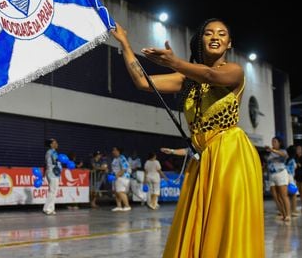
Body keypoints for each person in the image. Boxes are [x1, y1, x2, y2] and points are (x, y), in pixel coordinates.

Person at [112, 18, 264, 257]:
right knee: (198, 222)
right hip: (202, 158)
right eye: (209, 33)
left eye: (222, 34)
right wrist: (125, 43)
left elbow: (211, 76)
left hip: (231, 154)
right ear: (200, 40)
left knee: (225, 222)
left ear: (229, 43)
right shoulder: (187, 80)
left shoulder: (235, 71)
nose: (215, 37)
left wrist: (175, 62)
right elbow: (143, 82)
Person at [265, 137, 291, 221]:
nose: (273, 143)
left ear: (279, 143)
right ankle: (283, 214)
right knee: (276, 197)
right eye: (272, 141)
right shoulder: (270, 153)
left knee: (283, 196)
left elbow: (284, 155)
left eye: (275, 141)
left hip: (280, 174)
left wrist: (273, 150)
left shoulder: (282, 151)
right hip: (272, 175)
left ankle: (288, 215)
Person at [110, 146, 132, 212]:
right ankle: (119, 206)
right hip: (116, 177)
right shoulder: (115, 159)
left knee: (120, 192)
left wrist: (117, 175)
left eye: (114, 150)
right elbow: (114, 169)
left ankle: (127, 206)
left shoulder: (122, 158)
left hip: (122, 177)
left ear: (118, 151)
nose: (112, 151)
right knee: (116, 192)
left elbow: (124, 168)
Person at [43, 138, 61, 215]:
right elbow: (54, 163)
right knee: (53, 191)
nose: (57, 144)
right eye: (55, 143)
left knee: (54, 191)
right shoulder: (52, 152)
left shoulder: (51, 152)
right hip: (52, 172)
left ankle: (51, 208)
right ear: (51, 144)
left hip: (53, 172)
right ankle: (47, 208)